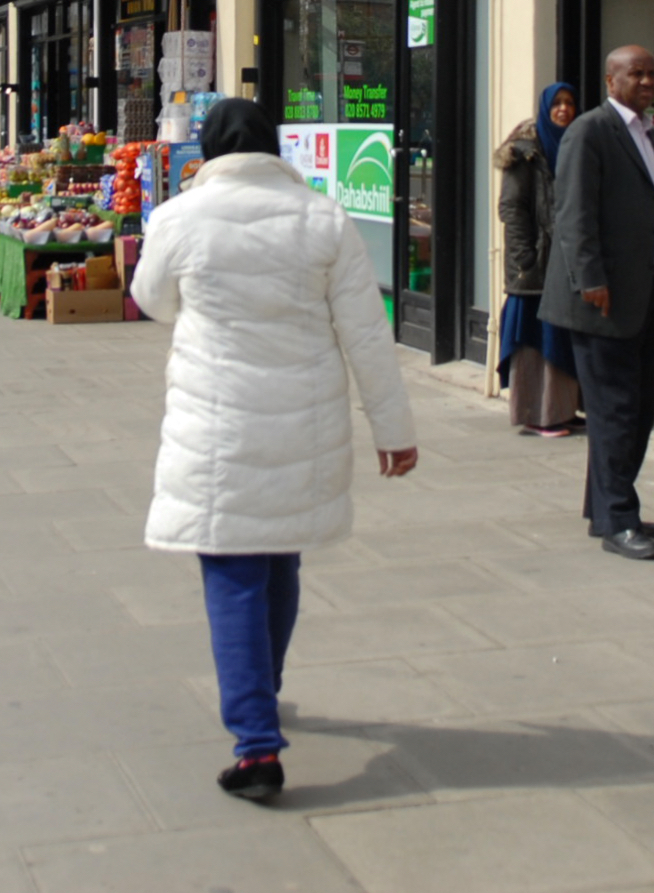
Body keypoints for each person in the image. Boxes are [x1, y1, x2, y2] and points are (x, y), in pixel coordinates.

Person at [131, 97, 417, 801]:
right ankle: (263, 684)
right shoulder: (322, 218)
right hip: (303, 422)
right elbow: (366, 330)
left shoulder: (178, 218)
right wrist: (394, 430)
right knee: (280, 554)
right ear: (272, 147)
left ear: (209, 150)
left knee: (231, 566)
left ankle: (257, 746)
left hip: (216, 422)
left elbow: (152, 301)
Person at [540, 45, 654, 561]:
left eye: (651, 73)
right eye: (635, 73)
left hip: (649, 291)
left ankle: (607, 509)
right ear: (610, 79)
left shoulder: (649, 134)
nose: (646, 81)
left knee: (637, 412)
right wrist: (590, 279)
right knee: (615, 412)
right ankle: (619, 521)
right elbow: (573, 213)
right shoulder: (590, 131)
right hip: (604, 299)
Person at [496, 81, 581, 436]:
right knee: (535, 340)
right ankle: (537, 415)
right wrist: (525, 259)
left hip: (564, 261)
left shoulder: (573, 145)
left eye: (569, 103)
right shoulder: (526, 152)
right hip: (535, 264)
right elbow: (512, 208)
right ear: (545, 109)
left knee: (560, 338)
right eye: (556, 103)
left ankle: (561, 410)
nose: (563, 109)